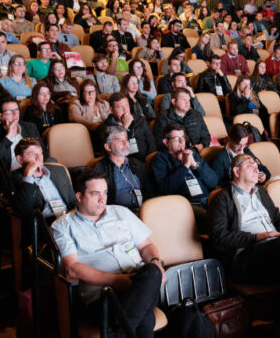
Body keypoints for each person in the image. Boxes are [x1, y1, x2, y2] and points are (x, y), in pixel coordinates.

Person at [51, 170, 164, 338]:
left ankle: (118, 334)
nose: (102, 199)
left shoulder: (121, 212)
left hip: (138, 282)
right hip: (102, 296)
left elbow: (147, 246)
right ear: (79, 196)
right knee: (145, 318)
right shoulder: (63, 226)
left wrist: (155, 262)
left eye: (105, 193)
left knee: (153, 270)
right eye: (95, 194)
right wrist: (117, 281)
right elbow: (72, 269)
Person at [207, 153, 280, 285]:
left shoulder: (262, 192)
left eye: (256, 165)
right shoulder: (222, 198)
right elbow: (218, 236)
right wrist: (256, 237)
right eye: (250, 164)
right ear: (236, 171)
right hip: (246, 255)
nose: (256, 168)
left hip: (275, 247)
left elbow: (279, 218)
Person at [149, 123, 218, 209]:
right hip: (186, 206)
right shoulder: (159, 159)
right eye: (176, 138)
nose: (182, 141)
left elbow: (214, 181)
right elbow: (164, 189)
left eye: (183, 137)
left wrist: (195, 165)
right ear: (166, 142)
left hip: (207, 200)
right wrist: (185, 166)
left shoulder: (192, 153)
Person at [9, 137, 75, 221]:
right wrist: (28, 175)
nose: (39, 158)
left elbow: (73, 201)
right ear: (20, 159)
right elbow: (24, 212)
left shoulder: (58, 170)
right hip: (44, 224)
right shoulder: (14, 179)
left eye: (40, 153)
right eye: (32, 154)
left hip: (69, 217)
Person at [90, 124, 152, 212]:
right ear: (108, 147)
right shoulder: (99, 169)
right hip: (116, 215)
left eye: (126, 139)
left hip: (144, 211)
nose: (125, 143)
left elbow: (149, 191)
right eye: (119, 140)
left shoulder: (138, 164)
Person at [0, 97, 41, 171]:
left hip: (35, 169)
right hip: (12, 175)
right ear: (0, 116)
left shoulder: (30, 127)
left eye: (16, 109)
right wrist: (8, 137)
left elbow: (44, 151)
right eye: (9, 111)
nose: (15, 114)